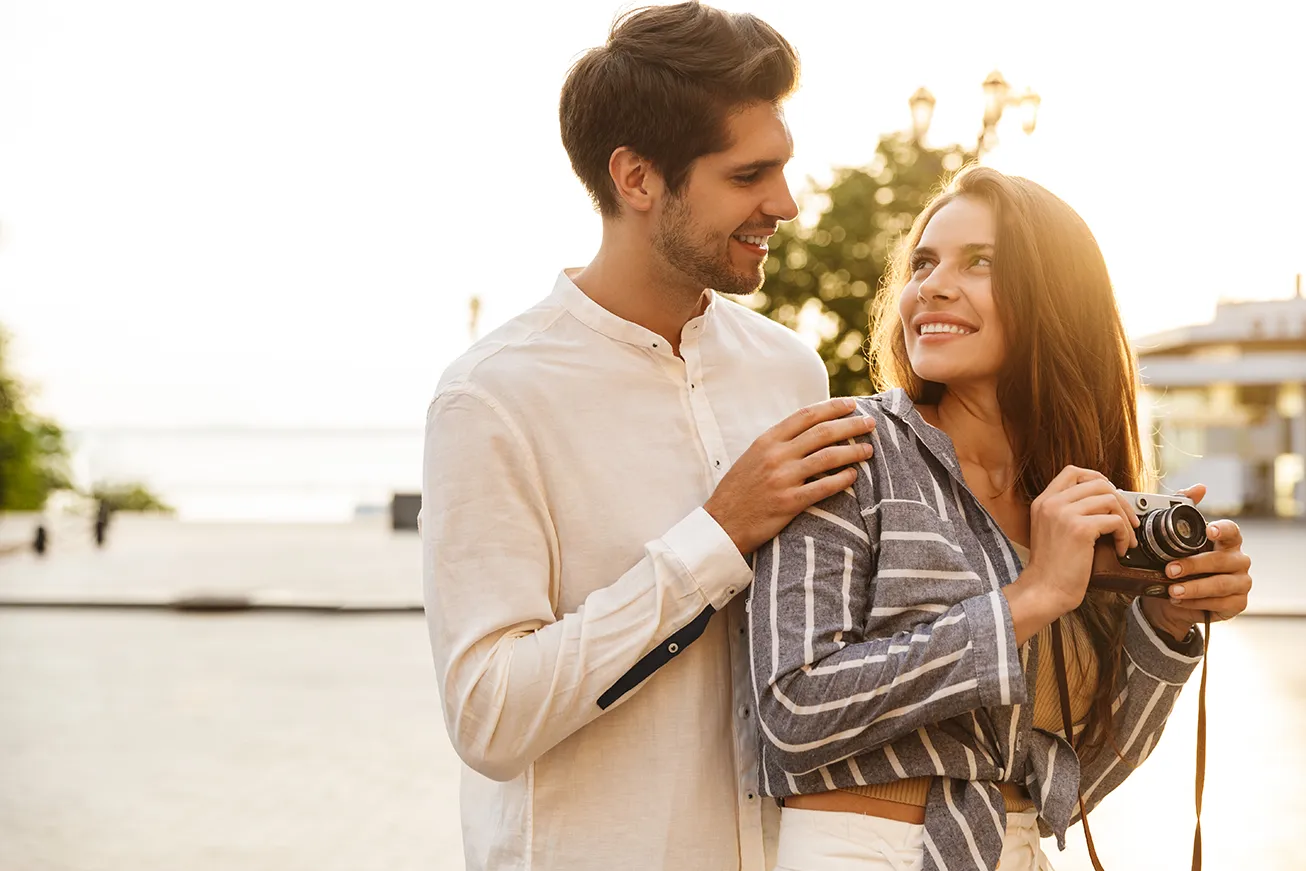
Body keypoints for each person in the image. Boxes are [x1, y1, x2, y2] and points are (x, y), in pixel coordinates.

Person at [421, 5, 876, 869]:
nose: (785, 203)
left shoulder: (790, 372)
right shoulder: (491, 398)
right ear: (636, 177)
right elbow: (487, 716)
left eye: (783, 167)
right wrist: (716, 535)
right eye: (749, 175)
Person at [749, 165, 1253, 871]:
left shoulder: (1082, 501)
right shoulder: (851, 449)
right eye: (923, 263)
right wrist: (1029, 599)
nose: (932, 286)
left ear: (1057, 295)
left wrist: (1166, 627)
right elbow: (794, 712)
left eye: (980, 262)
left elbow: (1078, 784)